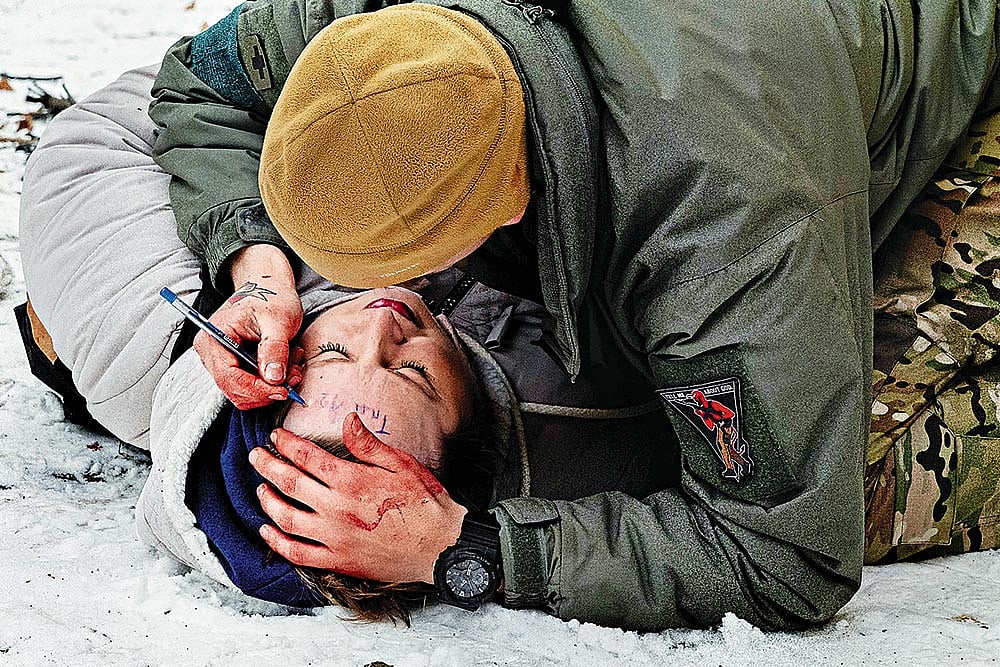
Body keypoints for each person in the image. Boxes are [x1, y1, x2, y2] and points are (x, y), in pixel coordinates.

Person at [147, 0, 1000, 630]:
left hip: (952, 64)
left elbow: (791, 557)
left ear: (504, 214)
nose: (375, 315)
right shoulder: (381, 42)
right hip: (786, 76)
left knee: (869, 473)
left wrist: (469, 545)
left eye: (386, 278)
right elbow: (200, 81)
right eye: (328, 333)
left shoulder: (714, 224)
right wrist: (255, 266)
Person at [16, 65, 672, 622]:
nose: (383, 323)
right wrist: (468, 550)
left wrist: (250, 256)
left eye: (329, 353)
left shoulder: (135, 340)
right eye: (415, 373)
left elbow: (107, 125)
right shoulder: (569, 439)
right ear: (470, 427)